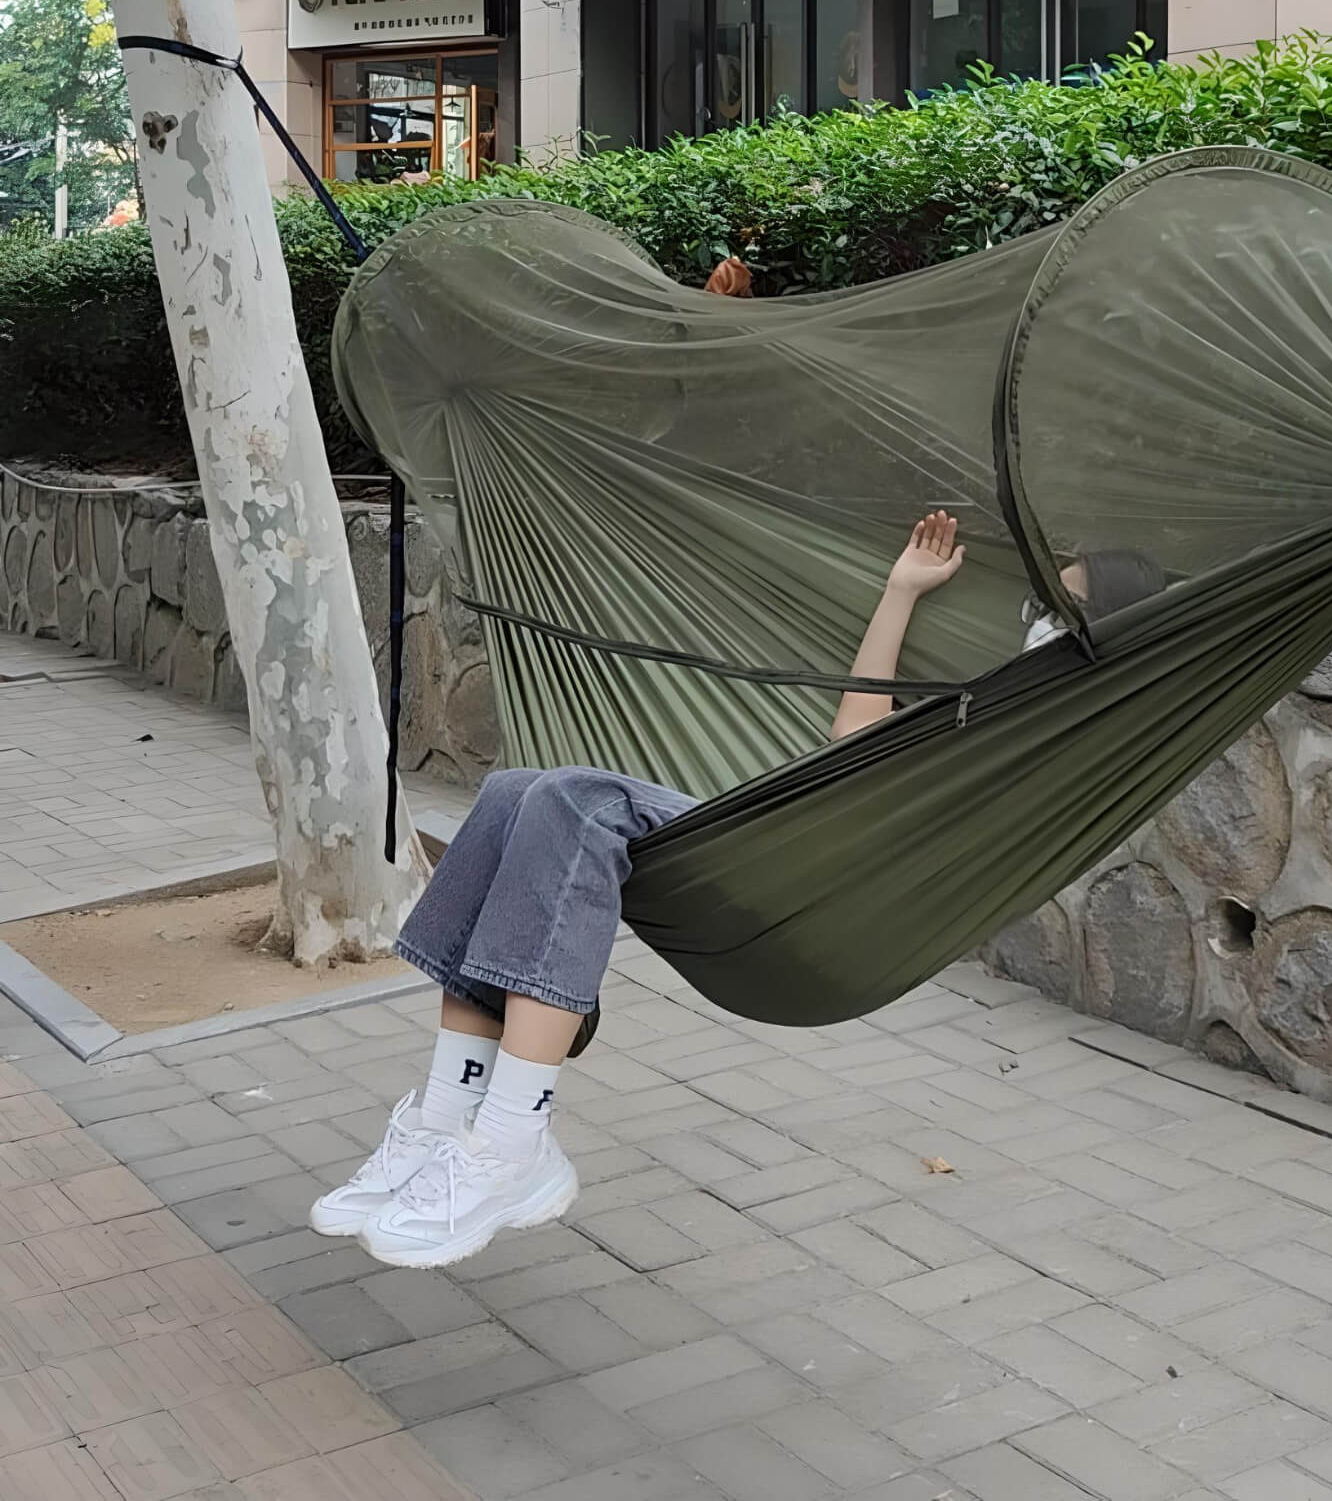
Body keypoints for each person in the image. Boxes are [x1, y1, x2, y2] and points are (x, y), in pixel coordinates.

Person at [310, 513, 1161, 1268]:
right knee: (510, 794)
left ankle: (512, 1142)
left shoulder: (1054, 738)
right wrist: (901, 590)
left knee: (577, 803)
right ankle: (446, 1119)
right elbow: (854, 737)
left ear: (1101, 638)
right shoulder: (995, 700)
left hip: (818, 886)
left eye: (1062, 611)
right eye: (1041, 607)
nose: (1039, 623)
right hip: (775, 835)